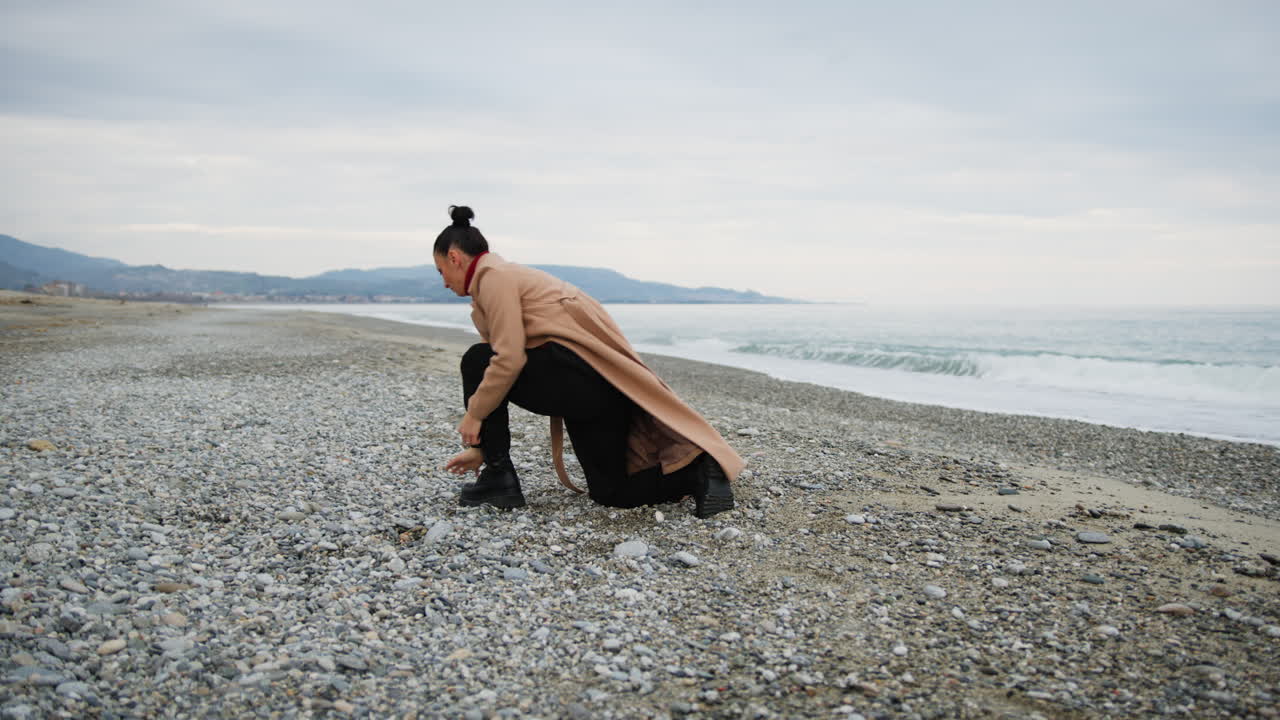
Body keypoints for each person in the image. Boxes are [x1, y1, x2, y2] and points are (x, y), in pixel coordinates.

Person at [434, 205, 743, 517]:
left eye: (440, 271)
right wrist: (481, 446)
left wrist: (474, 416)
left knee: (477, 360)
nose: (444, 281)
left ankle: (498, 479)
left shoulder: (494, 277)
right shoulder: (507, 277)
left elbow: (509, 358)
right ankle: (699, 472)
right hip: (601, 387)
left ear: (454, 258)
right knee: (613, 492)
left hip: (580, 379)